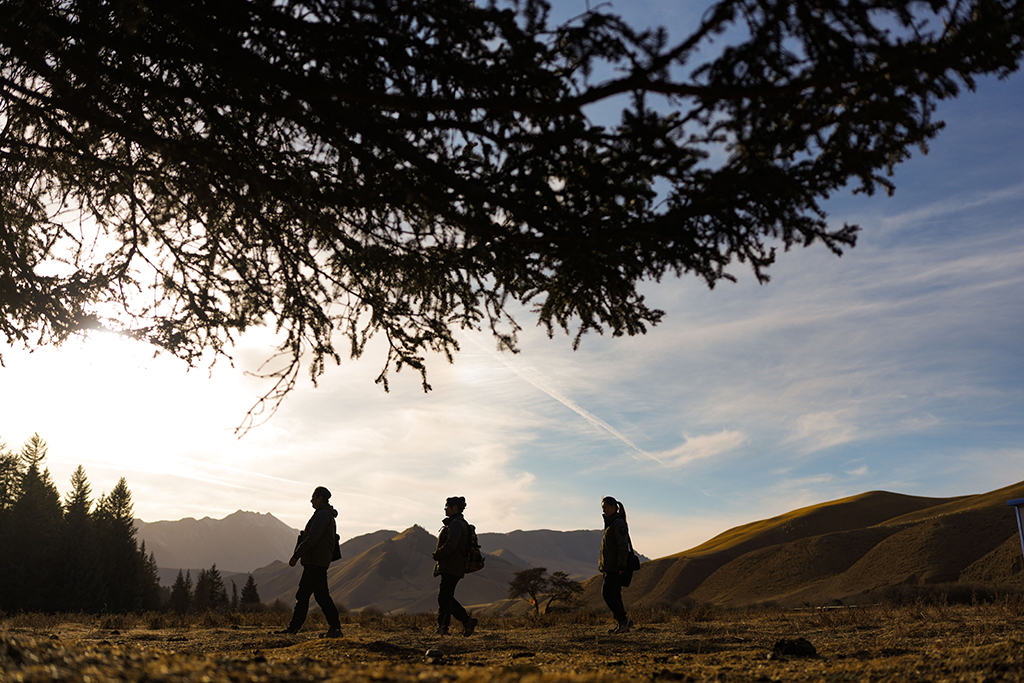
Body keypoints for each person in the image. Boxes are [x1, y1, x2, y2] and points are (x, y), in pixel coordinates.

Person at [276, 486, 343, 638]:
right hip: (314, 561)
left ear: (320, 498)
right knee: (304, 595)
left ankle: (336, 629)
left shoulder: (322, 515)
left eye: (313, 497)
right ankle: (293, 629)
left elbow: (312, 538)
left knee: (321, 596)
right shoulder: (324, 514)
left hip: (315, 562)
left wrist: (296, 555)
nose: (311, 500)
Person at [431, 496, 479, 637]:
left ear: (455, 508)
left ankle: (444, 628)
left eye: (447, 506)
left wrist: (437, 554)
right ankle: (466, 621)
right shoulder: (456, 523)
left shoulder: (457, 524)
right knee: (446, 597)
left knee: (444, 597)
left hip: (453, 566)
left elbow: (451, 545)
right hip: (451, 566)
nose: (445, 509)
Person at [600, 495, 633, 634]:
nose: (604, 510)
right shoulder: (611, 523)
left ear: (613, 507)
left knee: (607, 593)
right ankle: (622, 624)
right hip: (610, 567)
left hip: (615, 568)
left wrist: (621, 566)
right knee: (615, 594)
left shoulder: (617, 523)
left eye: (605, 507)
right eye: (603, 508)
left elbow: (622, 546)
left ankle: (623, 621)